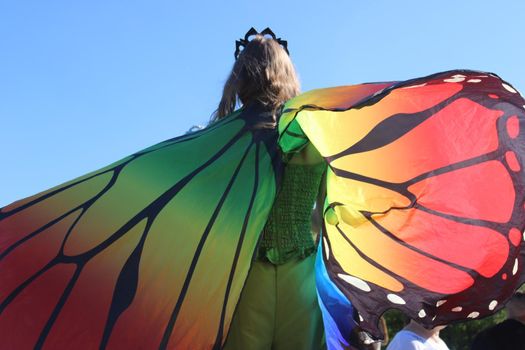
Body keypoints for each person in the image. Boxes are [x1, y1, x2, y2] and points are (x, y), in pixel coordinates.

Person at [215, 29, 326, 350]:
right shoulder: (312, 135)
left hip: (243, 279)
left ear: (241, 77)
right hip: (302, 280)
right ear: (287, 74)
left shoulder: (222, 139)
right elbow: (327, 217)